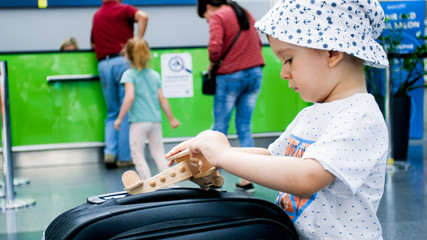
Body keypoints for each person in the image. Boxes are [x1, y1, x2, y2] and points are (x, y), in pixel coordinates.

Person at [167, 0, 389, 239]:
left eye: (288, 59)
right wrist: (218, 155)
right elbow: (273, 158)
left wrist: (224, 155)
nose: (283, 73)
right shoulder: (311, 112)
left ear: (332, 52)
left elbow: (308, 176)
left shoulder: (360, 116)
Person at [197, 0, 265, 193]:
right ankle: (247, 178)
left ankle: (210, 174)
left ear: (208, 7)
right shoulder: (243, 12)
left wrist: (213, 63)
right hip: (255, 73)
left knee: (219, 127)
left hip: (231, 76)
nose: (208, 19)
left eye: (205, 17)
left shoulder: (218, 15)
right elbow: (258, 42)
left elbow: (215, 47)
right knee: (244, 125)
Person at [90, 0, 148, 168]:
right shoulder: (124, 9)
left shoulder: (97, 15)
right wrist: (137, 41)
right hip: (123, 62)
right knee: (126, 111)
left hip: (103, 64)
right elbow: (143, 16)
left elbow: (93, 43)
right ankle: (124, 157)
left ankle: (110, 152)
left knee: (112, 112)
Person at [114, 37, 181, 180]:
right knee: (158, 153)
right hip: (155, 121)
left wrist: (119, 118)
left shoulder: (128, 74)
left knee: (138, 155)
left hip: (138, 122)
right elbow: (162, 99)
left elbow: (129, 97)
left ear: (128, 55)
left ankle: (146, 185)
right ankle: (170, 184)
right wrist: (172, 119)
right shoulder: (154, 75)